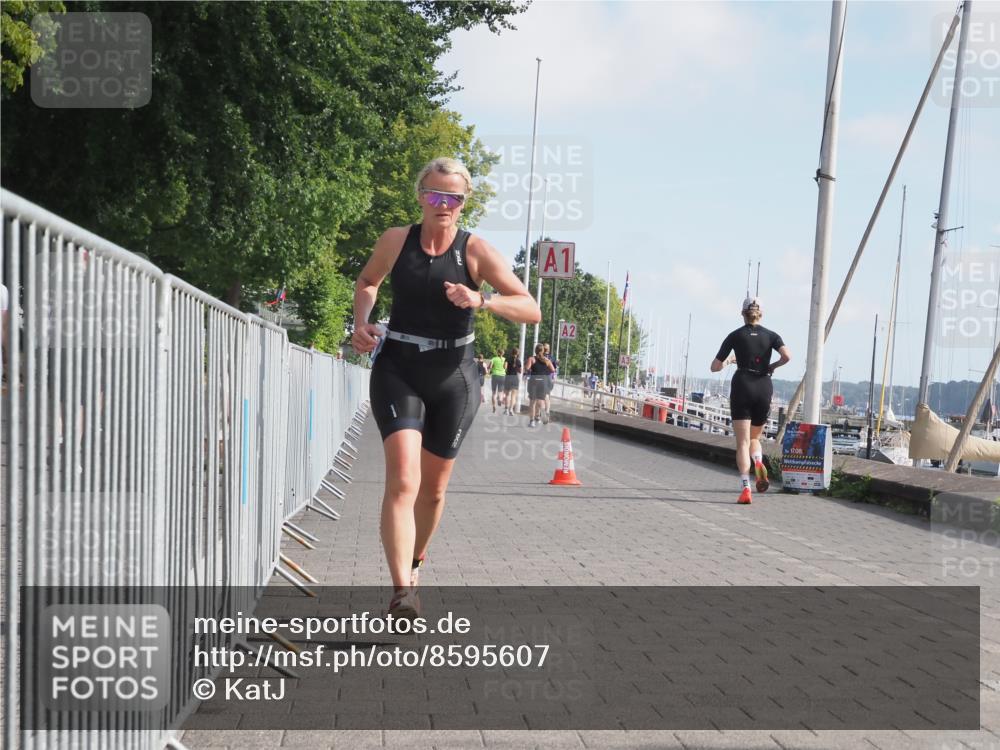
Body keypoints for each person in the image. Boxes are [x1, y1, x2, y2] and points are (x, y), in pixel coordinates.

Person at [352, 157, 540, 618]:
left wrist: (483, 299)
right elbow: (368, 281)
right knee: (403, 481)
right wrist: (361, 322)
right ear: (420, 196)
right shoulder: (397, 240)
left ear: (464, 202)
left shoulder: (475, 251)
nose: (443, 204)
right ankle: (402, 592)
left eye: (453, 197)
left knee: (432, 492)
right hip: (398, 367)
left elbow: (530, 308)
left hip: (454, 376)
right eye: (435, 195)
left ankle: (416, 562)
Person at [710, 296, 791, 505]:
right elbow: (787, 356)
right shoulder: (772, 335)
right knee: (755, 438)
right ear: (760, 313)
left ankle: (746, 487)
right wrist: (772, 366)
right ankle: (758, 460)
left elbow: (715, 367)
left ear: (742, 314)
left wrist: (729, 360)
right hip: (764, 385)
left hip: (742, 384)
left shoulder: (735, 336)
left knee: (742, 443)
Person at [525, 343, 555, 427]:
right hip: (543, 381)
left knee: (532, 402)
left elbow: (527, 368)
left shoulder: (532, 359)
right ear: (543, 351)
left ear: (535, 350)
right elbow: (553, 370)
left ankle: (532, 421)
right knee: (541, 400)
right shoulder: (547, 360)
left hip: (534, 381)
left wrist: (530, 370)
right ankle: (543, 413)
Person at [503, 346, 522, 416]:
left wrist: (508, 369)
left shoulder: (507, 359)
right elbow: (520, 371)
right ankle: (511, 409)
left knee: (507, 395)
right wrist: (516, 368)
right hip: (515, 378)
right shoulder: (518, 361)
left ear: (512, 352)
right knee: (513, 396)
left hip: (508, 377)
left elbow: (504, 367)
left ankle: (506, 410)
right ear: (518, 353)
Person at [489, 349, 507, 413]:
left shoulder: (493, 359)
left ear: (497, 353)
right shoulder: (505, 359)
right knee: (500, 391)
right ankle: (500, 399)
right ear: (503, 353)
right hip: (502, 376)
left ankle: (494, 406)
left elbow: (490, 367)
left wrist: (491, 368)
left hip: (495, 375)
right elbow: (505, 367)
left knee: (493, 392)